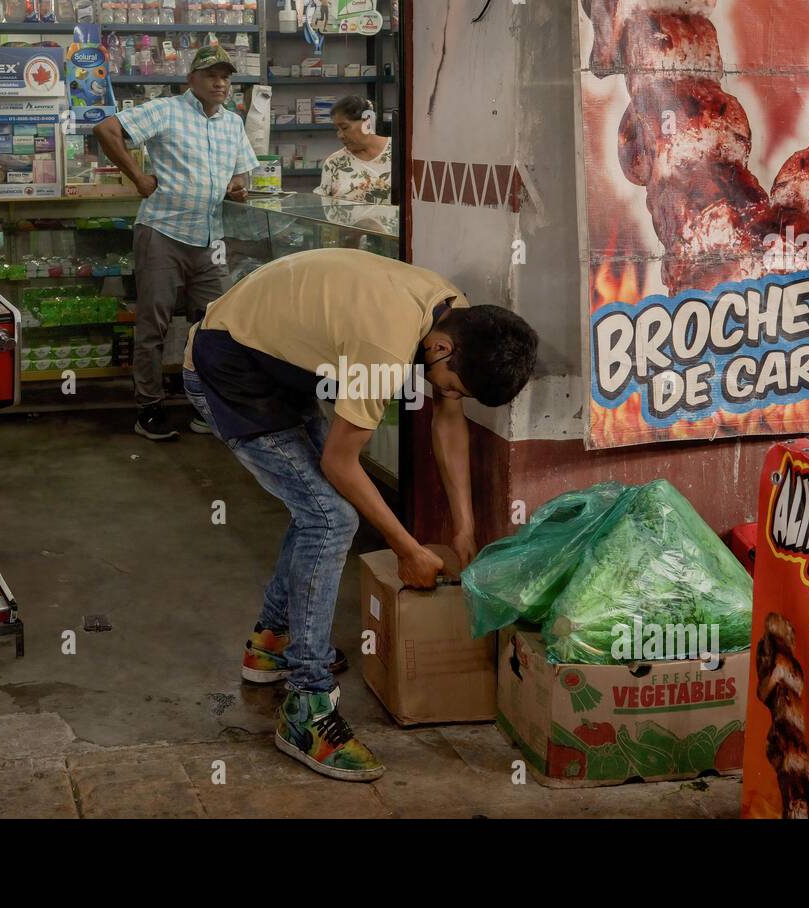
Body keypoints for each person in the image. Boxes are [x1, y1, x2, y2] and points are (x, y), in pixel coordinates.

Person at [183, 248, 538, 781]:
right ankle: (306, 707)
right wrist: (409, 550)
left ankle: (272, 643)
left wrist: (464, 528)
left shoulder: (456, 316)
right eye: (453, 384)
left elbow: (447, 421)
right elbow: (340, 462)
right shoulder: (386, 348)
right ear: (442, 350)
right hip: (229, 368)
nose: (448, 394)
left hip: (283, 364)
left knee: (316, 511)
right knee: (330, 518)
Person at [95, 44, 259, 442]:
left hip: (209, 238)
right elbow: (106, 129)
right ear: (192, 80)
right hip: (163, 233)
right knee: (154, 325)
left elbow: (241, 174)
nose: (220, 83)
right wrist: (138, 177)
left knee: (214, 325)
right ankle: (148, 408)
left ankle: (206, 406)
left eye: (225, 77)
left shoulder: (232, 123)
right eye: (211, 75)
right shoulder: (166, 110)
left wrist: (236, 188)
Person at [314, 95, 392, 204]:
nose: (340, 135)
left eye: (345, 127)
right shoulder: (334, 163)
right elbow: (322, 207)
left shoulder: (400, 152)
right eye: (337, 129)